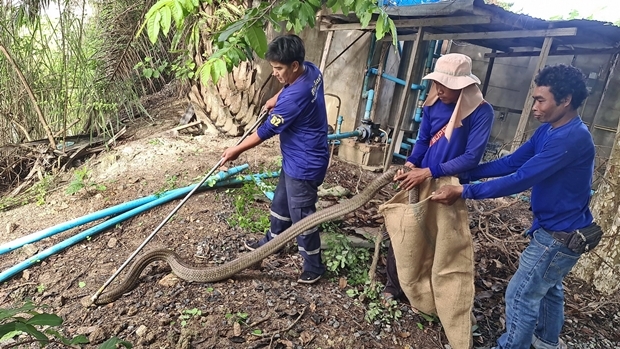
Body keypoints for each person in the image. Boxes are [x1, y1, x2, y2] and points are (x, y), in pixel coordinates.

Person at [431, 64, 593, 349]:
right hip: (559, 230)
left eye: (540, 100)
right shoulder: (550, 130)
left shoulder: (572, 138)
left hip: (558, 236)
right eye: (534, 99)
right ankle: (545, 342)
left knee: (520, 295)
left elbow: (520, 179)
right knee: (548, 289)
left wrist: (463, 191)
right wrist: (469, 173)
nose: (534, 106)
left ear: (565, 100)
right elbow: (511, 162)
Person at [384, 53, 495, 302]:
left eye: (446, 85)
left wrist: (431, 171)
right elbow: (423, 140)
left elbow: (471, 158)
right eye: (437, 83)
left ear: (463, 86)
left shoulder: (480, 112)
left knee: (440, 241)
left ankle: (430, 293)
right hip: (421, 177)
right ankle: (395, 285)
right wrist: (412, 163)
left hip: (451, 185)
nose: (439, 89)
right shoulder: (433, 103)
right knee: (403, 229)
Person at [221, 34, 329, 284]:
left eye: (279, 69)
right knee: (281, 203)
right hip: (296, 157)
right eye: (273, 67)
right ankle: (274, 241)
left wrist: (236, 149)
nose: (276, 73)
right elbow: (289, 88)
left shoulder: (294, 98)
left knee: (302, 215)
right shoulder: (311, 70)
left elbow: (266, 131)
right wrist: (275, 96)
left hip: (305, 162)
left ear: (293, 65)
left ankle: (314, 265)